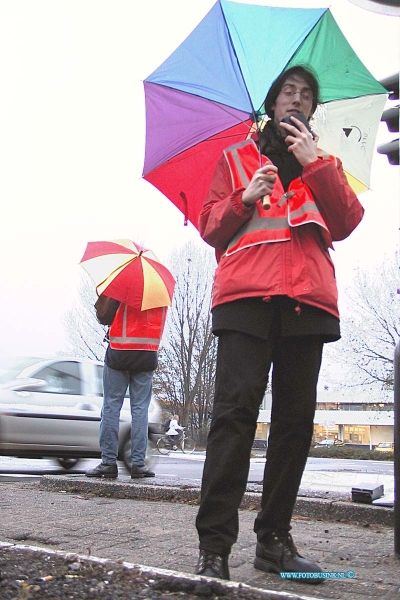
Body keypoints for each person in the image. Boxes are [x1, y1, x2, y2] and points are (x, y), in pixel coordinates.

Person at [194, 66, 364, 583]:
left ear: (314, 110)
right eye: (289, 91)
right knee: (233, 419)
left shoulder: (325, 162)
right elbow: (209, 226)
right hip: (245, 301)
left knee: (293, 426)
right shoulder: (236, 159)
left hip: (307, 306)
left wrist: (316, 165)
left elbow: (347, 222)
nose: (298, 99)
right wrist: (243, 198)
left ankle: (274, 541)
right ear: (272, 101)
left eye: (307, 94)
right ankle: (215, 546)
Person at [86, 300, 167, 480]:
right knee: (140, 410)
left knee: (111, 406)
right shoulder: (159, 293)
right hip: (146, 353)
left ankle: (108, 463)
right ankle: (138, 464)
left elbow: (104, 315)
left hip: (119, 351)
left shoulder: (123, 288)